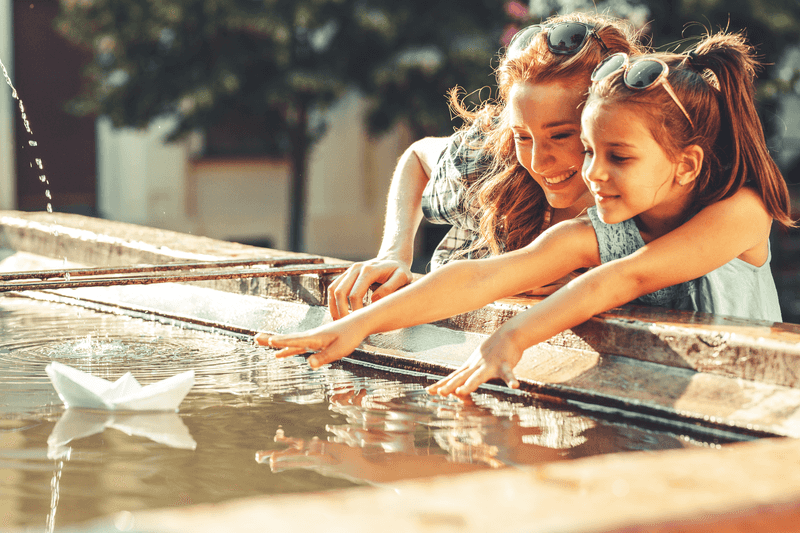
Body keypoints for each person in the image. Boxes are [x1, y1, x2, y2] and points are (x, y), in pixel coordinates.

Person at [257, 30, 794, 398]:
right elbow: (488, 276)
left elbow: (627, 276)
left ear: (686, 164)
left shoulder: (741, 212)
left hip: (752, 403)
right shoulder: (608, 227)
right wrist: (358, 326)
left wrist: (510, 338)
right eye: (589, 151)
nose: (593, 174)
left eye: (619, 157)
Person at [326, 12, 646, 319]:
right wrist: (394, 254)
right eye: (523, 136)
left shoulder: (657, 195)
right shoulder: (493, 164)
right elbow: (418, 157)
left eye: (560, 135)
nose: (537, 161)